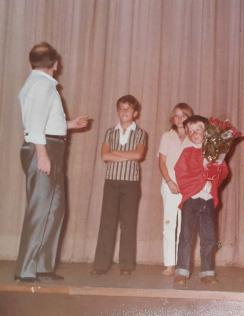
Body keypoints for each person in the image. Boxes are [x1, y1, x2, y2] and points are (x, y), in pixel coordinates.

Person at [15, 42, 89, 282]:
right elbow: (35, 124)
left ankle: (43, 266)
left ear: (31, 62)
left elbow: (43, 120)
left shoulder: (41, 84)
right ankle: (26, 269)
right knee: (40, 209)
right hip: (44, 148)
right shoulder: (41, 85)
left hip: (52, 146)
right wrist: (42, 154)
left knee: (55, 209)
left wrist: (69, 124)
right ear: (55, 65)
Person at [91, 95, 148, 276]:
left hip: (131, 184)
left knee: (128, 224)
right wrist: (126, 154)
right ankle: (101, 264)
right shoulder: (110, 132)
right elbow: (104, 156)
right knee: (107, 223)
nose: (124, 112)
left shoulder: (140, 133)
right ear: (117, 111)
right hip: (111, 183)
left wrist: (115, 152)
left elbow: (138, 155)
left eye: (128, 109)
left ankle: (126, 265)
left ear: (135, 113)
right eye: (121, 109)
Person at [173, 115, 229, 286]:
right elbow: (181, 173)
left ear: (207, 132)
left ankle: (207, 272)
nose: (194, 133)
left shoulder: (214, 152)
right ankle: (182, 271)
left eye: (198, 129)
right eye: (190, 131)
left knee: (210, 237)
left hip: (209, 200)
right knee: (186, 236)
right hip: (192, 199)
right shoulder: (187, 153)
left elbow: (224, 174)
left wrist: (217, 164)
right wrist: (202, 167)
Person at [158, 103, 193, 276]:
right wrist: (169, 181)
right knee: (169, 223)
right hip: (170, 182)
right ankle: (169, 263)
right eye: (177, 115)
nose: (179, 119)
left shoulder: (194, 138)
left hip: (188, 184)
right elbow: (162, 162)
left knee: (184, 226)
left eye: (183, 116)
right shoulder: (167, 136)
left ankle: (182, 263)